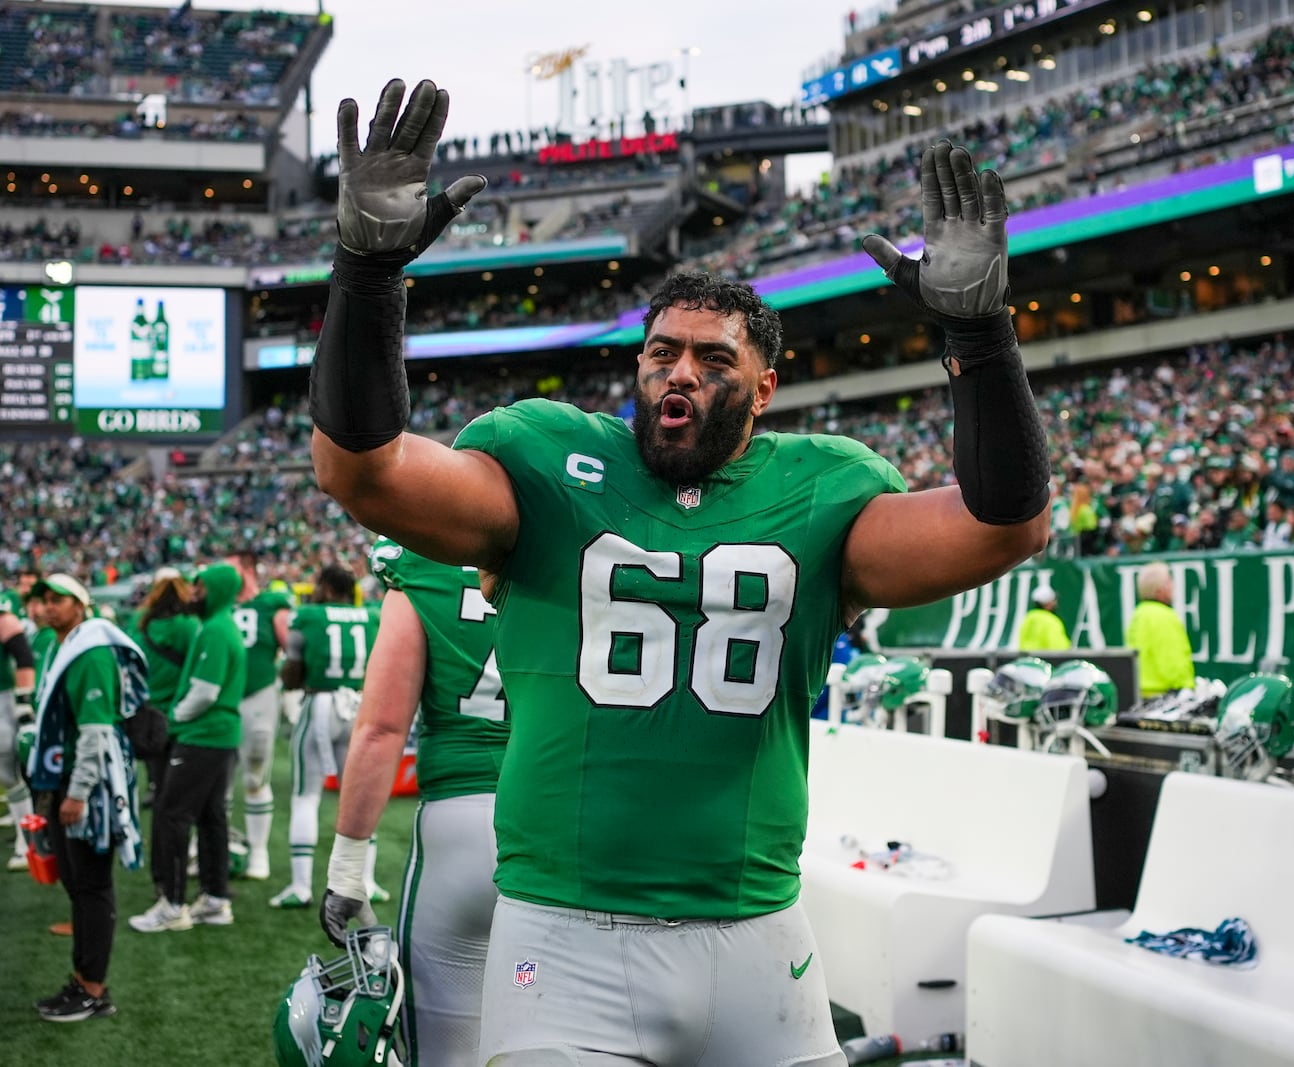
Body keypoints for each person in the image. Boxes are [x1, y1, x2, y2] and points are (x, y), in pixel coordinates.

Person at [308, 80, 1046, 1066]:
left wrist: (982, 341)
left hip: (759, 937)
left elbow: (1006, 526)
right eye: (662, 352)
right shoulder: (547, 464)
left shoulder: (821, 487)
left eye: (710, 357)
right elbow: (363, 468)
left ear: (764, 386)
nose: (680, 373)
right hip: (564, 936)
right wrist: (365, 279)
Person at [320, 537, 507, 1066]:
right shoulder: (578, 550)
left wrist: (348, 866)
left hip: (460, 828)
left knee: (447, 1050)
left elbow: (380, 729)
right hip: (558, 825)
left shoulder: (424, 570)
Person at [26, 573, 148, 1022]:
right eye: (45, 599)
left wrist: (76, 792)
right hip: (69, 776)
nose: (50, 606)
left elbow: (95, 733)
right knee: (79, 886)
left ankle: (93, 990)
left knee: (92, 886)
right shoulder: (67, 644)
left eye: (59, 599)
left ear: (80, 605)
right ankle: (83, 981)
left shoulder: (91, 650)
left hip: (90, 786)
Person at [131, 562, 245, 932]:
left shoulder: (214, 629)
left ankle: (173, 905)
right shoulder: (217, 626)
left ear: (217, 590)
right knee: (212, 818)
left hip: (202, 735)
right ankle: (215, 898)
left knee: (170, 815)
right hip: (219, 735)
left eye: (200, 588)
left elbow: (204, 692)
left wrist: (175, 719)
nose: (193, 594)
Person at [270, 564, 382, 910]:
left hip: (320, 704)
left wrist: (291, 677)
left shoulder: (309, 615)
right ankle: (366, 881)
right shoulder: (372, 617)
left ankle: (301, 886)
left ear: (328, 588)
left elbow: (291, 672)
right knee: (362, 795)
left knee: (306, 795)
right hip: (360, 706)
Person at [224, 549, 294, 880]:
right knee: (218, 781)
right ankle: (215, 847)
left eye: (232, 568)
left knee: (255, 775)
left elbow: (290, 645)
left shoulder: (270, 603)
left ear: (248, 569)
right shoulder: (216, 604)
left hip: (259, 695)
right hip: (222, 699)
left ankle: (259, 852)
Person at [129, 568, 198, 834]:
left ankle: (163, 851)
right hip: (181, 715)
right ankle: (180, 846)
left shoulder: (140, 621)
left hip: (147, 712)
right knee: (183, 788)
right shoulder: (188, 626)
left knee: (159, 783)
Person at [1, 577, 38, 871]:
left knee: (9, 771)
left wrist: (24, 706)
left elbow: (24, 659)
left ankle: (27, 841)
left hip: (2, 701)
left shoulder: (5, 616)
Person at [1125, 561, 1196, 699]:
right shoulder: (1164, 616)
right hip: (1165, 695)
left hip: (1141, 693)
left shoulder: (1138, 614)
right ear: (1159, 589)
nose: (1173, 586)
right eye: (1169, 581)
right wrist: (1185, 686)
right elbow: (1171, 658)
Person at [1017, 586, 1071, 652]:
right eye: (1054, 600)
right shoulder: (1051, 620)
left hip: (1027, 660)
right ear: (1048, 603)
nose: (1055, 603)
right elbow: (1059, 648)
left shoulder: (1028, 617)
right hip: (1047, 661)